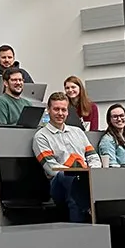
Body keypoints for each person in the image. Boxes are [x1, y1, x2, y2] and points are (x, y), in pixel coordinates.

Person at [33, 91, 101, 223]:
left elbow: (93, 157)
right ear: (48, 110)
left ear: (68, 112)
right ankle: (85, 217)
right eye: (56, 109)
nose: (60, 113)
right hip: (58, 183)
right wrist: (78, 173)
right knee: (69, 179)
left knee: (85, 181)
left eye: (63, 109)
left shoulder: (78, 131)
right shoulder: (41, 136)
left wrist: (92, 171)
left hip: (84, 177)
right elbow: (51, 168)